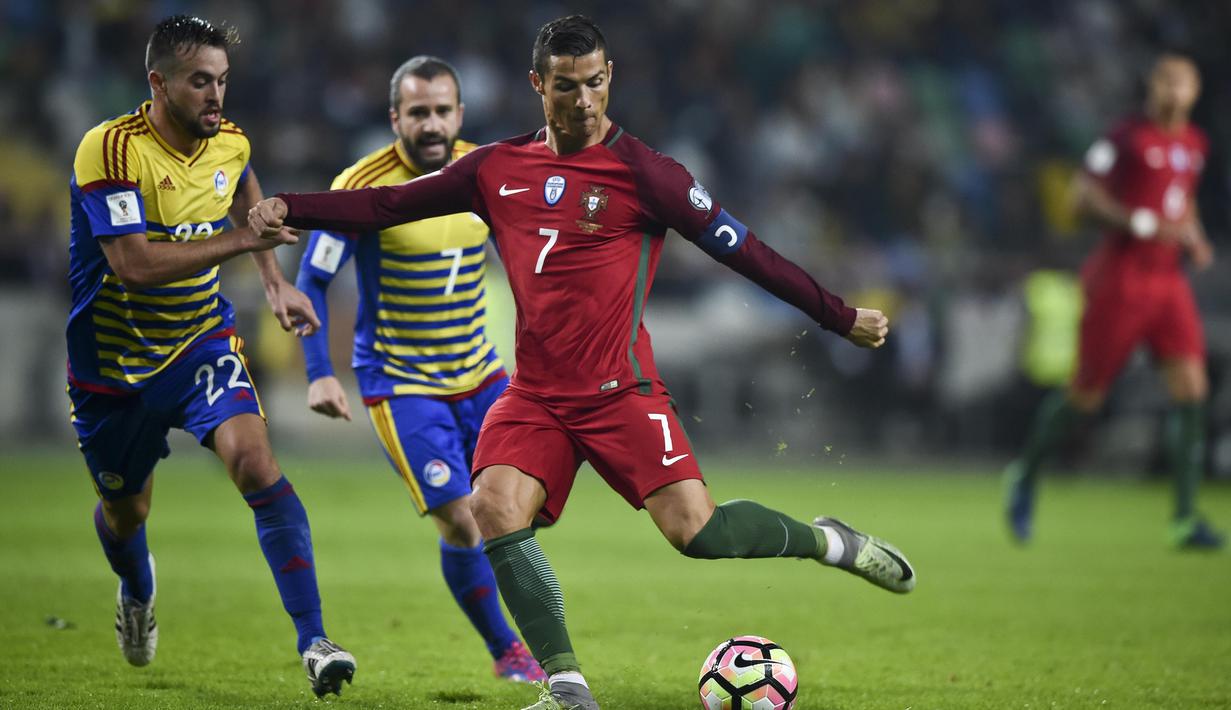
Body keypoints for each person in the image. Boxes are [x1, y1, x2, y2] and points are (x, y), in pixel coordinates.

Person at [250, 15, 914, 710]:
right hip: (535, 396)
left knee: (698, 532)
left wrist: (837, 316)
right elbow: (386, 204)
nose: (584, 100)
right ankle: (565, 685)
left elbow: (745, 251)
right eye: (566, 86)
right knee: (492, 507)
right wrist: (289, 206)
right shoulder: (495, 168)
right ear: (538, 85)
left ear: (609, 78)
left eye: (595, 83)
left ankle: (826, 542)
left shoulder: (647, 174)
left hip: (620, 391)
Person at [66, 15, 355, 697]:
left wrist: (275, 283)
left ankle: (314, 641)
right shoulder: (110, 149)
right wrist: (246, 244)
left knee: (255, 462)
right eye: (200, 81)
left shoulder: (229, 142)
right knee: (127, 513)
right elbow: (134, 265)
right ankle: (138, 589)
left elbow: (244, 186)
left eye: (222, 80)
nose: (216, 95)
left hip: (200, 342)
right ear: (158, 83)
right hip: (113, 368)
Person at [293, 55, 544, 683]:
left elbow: (525, 258)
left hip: (481, 374)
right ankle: (508, 653)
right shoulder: (362, 185)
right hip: (404, 384)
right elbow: (313, 279)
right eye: (418, 112)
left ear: (459, 114)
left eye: (441, 111)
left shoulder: (485, 173)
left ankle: (529, 638)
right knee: (460, 518)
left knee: (515, 507)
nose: (431, 124)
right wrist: (319, 370)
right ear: (395, 118)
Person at [1003, 53, 1222, 550]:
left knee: (1192, 387)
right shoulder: (1124, 138)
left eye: (1183, 83)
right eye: (1165, 81)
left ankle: (1185, 518)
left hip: (1168, 281)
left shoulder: (1195, 143)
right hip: (1120, 278)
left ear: (1195, 91)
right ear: (1152, 85)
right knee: (1087, 395)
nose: (1173, 91)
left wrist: (1195, 237)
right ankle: (1025, 475)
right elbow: (1081, 198)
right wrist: (1143, 223)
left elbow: (1182, 199)